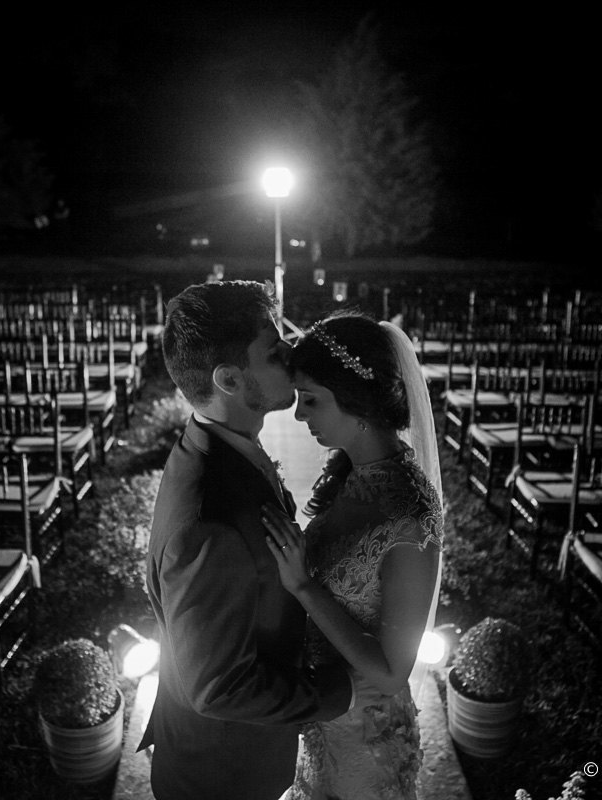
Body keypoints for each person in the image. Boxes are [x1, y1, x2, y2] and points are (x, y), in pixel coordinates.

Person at [140, 281, 371, 800]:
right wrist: (336, 693)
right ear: (228, 379)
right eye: (273, 351)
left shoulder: (214, 446)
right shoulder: (209, 521)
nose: (291, 354)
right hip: (222, 776)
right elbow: (218, 686)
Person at [262, 309, 444, 800]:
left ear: (358, 403)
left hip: (367, 742)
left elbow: (390, 672)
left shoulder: (409, 516)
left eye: (312, 400)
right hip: (324, 712)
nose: (299, 414)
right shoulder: (353, 474)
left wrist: (303, 586)